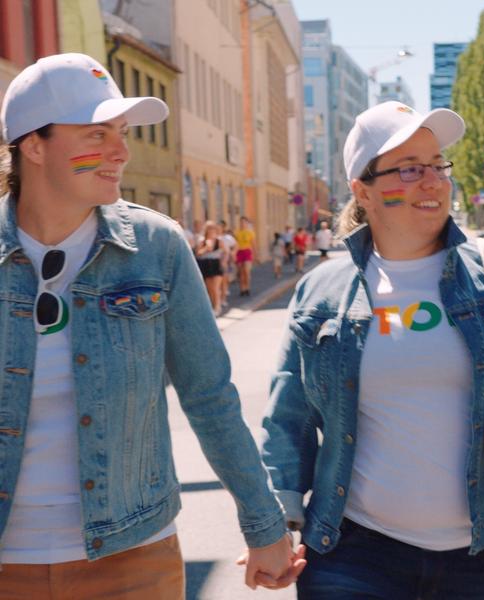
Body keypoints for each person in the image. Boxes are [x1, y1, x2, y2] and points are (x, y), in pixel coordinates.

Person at [260, 101, 484, 599]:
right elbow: (291, 416)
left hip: (481, 558)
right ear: (363, 191)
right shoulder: (323, 290)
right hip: (353, 553)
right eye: (410, 169)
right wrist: (275, 522)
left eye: (438, 165)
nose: (434, 181)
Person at [0, 52, 303, 597]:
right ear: (34, 145)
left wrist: (264, 524)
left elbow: (209, 395)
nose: (121, 151)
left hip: (132, 557)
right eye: (97, 134)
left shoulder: (155, 247)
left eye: (120, 132)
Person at [195, 220, 225, 315]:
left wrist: (224, 261)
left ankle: (217, 306)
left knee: (216, 287)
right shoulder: (202, 240)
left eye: (213, 229)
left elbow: (226, 252)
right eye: (209, 229)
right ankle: (213, 305)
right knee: (210, 288)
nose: (211, 231)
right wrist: (206, 248)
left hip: (216, 264)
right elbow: (198, 253)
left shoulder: (219, 241)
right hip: (206, 264)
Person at [234, 216, 255, 297]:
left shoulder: (250, 232)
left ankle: (247, 287)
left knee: (247, 271)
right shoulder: (237, 232)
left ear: (246, 223)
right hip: (239, 252)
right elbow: (235, 244)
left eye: (244, 222)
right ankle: (242, 289)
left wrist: (255, 255)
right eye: (241, 222)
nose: (242, 224)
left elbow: (253, 244)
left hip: (247, 252)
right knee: (241, 272)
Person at [219, 220, 237, 308]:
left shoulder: (227, 238)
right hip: (216, 261)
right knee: (219, 282)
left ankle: (223, 299)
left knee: (224, 281)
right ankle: (219, 299)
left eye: (220, 226)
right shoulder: (216, 237)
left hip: (226, 261)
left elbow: (236, 246)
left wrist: (233, 253)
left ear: (223, 227)